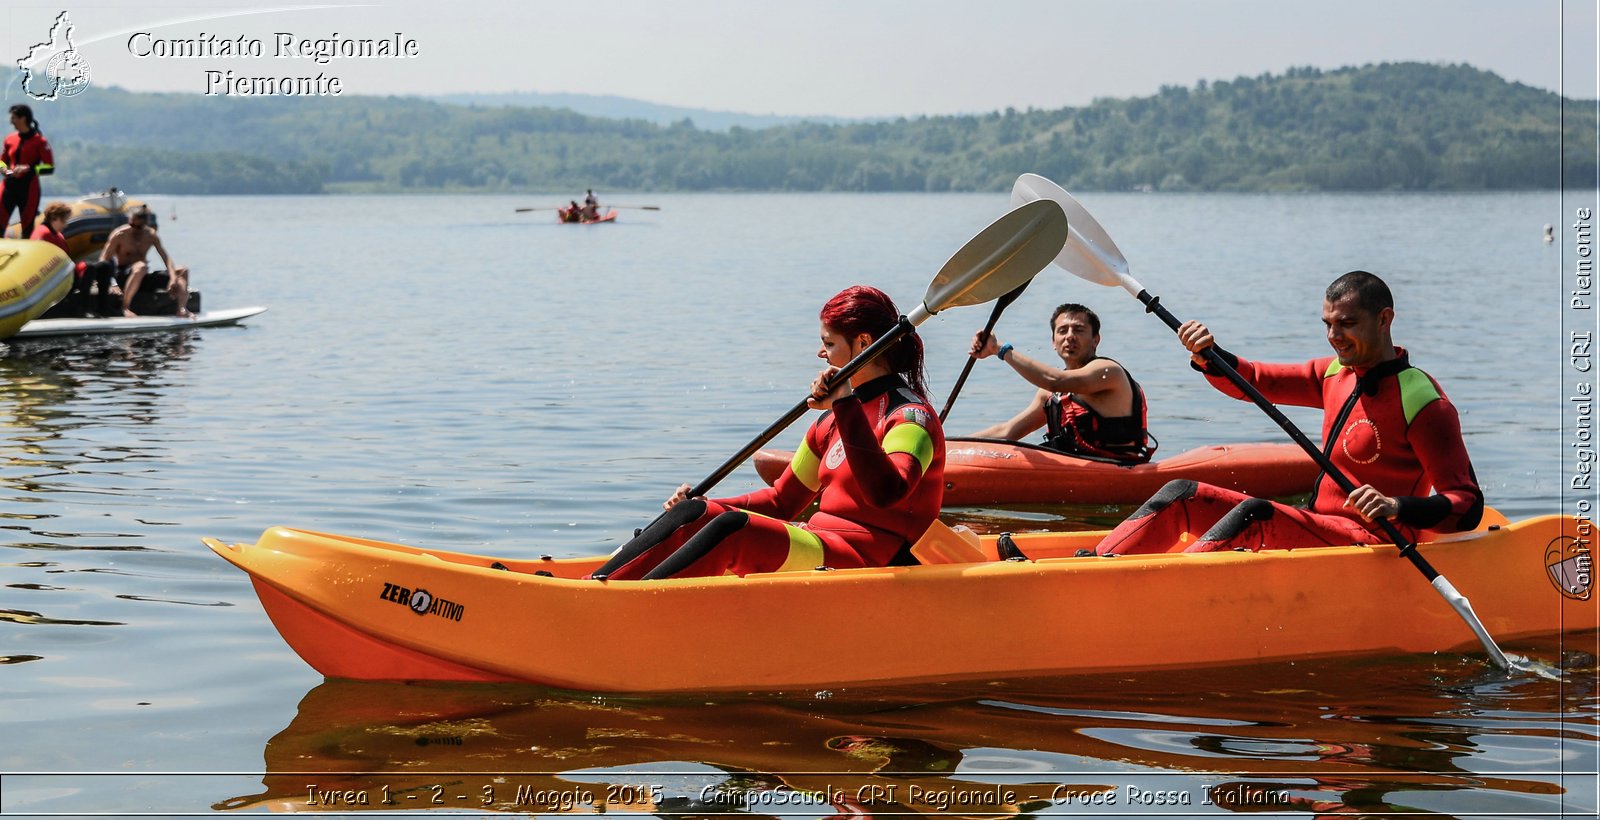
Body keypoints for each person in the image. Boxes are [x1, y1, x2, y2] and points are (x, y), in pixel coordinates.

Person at [1095, 270, 1483, 555]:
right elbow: (1254, 380)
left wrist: (1397, 506)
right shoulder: (1333, 374)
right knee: (1182, 493)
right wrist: (1207, 355)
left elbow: (1467, 505)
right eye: (1328, 325)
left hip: (1374, 542)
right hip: (1320, 524)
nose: (1334, 336)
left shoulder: (1423, 401)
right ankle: (1098, 565)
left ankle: (1164, 589)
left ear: (1385, 320)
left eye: (1347, 324)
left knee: (1255, 512)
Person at [590, 285, 946, 580]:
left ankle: (628, 610)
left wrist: (844, 403)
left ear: (864, 343)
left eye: (830, 343)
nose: (821, 352)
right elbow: (782, 502)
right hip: (823, 542)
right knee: (695, 514)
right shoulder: (831, 420)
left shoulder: (910, 417)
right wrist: (703, 506)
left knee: (733, 528)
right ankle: (598, 586)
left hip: (875, 560)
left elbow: (886, 493)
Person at [968, 303, 1154, 463]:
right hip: (1073, 471)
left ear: (1095, 340)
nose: (1070, 336)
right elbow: (1007, 432)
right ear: (1053, 342)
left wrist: (999, 349)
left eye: (1079, 330)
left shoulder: (1108, 372)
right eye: (1062, 331)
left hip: (1118, 468)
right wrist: (946, 443)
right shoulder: (1051, 394)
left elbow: (1054, 380)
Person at [101, 205, 191, 318]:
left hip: (143, 276)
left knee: (183, 270)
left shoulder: (151, 235)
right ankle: (125, 307)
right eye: (132, 224)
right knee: (141, 266)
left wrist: (173, 278)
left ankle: (182, 309)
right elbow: (103, 261)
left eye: (138, 226)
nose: (134, 228)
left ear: (145, 224)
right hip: (123, 276)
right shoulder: (120, 235)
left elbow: (166, 258)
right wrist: (111, 283)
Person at [31, 201, 118, 317]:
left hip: (65, 272)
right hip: (54, 277)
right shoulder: (42, 234)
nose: (66, 225)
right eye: (64, 221)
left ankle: (104, 307)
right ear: (55, 218)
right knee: (89, 269)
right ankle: (84, 309)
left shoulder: (57, 234)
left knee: (104, 266)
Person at [1, 104, 55, 240]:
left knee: (27, 227)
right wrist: (5, 170)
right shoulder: (9, 139)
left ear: (23, 118)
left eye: (13, 118)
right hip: (8, 186)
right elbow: (1, 161)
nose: (10, 121)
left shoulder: (40, 142)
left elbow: (49, 167)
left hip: (29, 188)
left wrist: (29, 169)